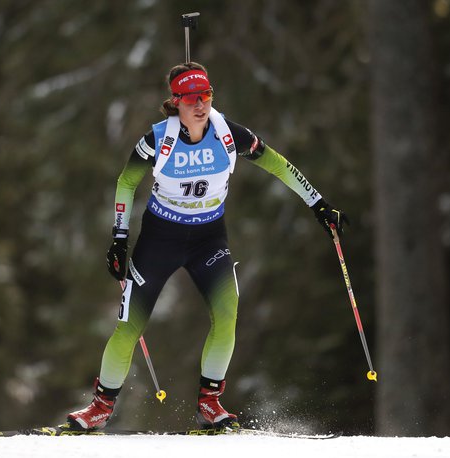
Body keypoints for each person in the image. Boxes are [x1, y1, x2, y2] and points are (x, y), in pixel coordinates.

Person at [65, 62, 348, 431]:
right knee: (129, 326)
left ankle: (210, 403)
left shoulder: (229, 134)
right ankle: (100, 408)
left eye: (206, 96)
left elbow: (279, 165)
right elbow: (125, 182)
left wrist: (318, 205)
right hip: (159, 239)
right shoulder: (157, 139)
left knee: (227, 315)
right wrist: (119, 238)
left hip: (208, 238)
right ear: (176, 102)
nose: (200, 105)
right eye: (191, 98)